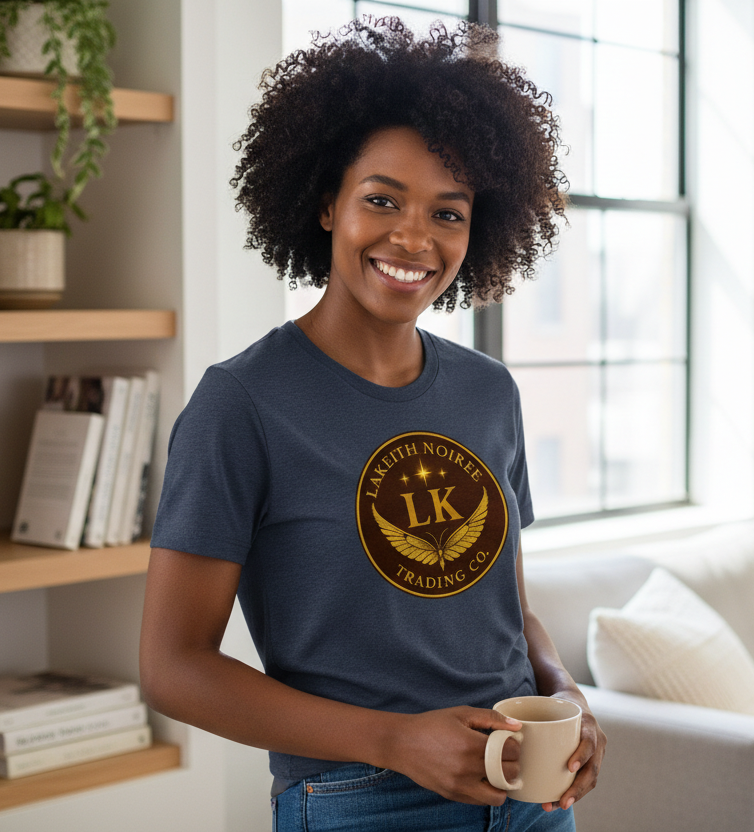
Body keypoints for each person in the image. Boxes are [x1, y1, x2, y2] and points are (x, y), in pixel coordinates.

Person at [139, 16, 607, 832]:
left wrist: (563, 691)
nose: (414, 238)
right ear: (326, 204)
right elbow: (172, 668)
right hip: (362, 800)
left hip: (529, 795)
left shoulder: (489, 392)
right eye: (382, 199)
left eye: (448, 213)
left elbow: (506, 606)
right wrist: (394, 742)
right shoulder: (241, 404)